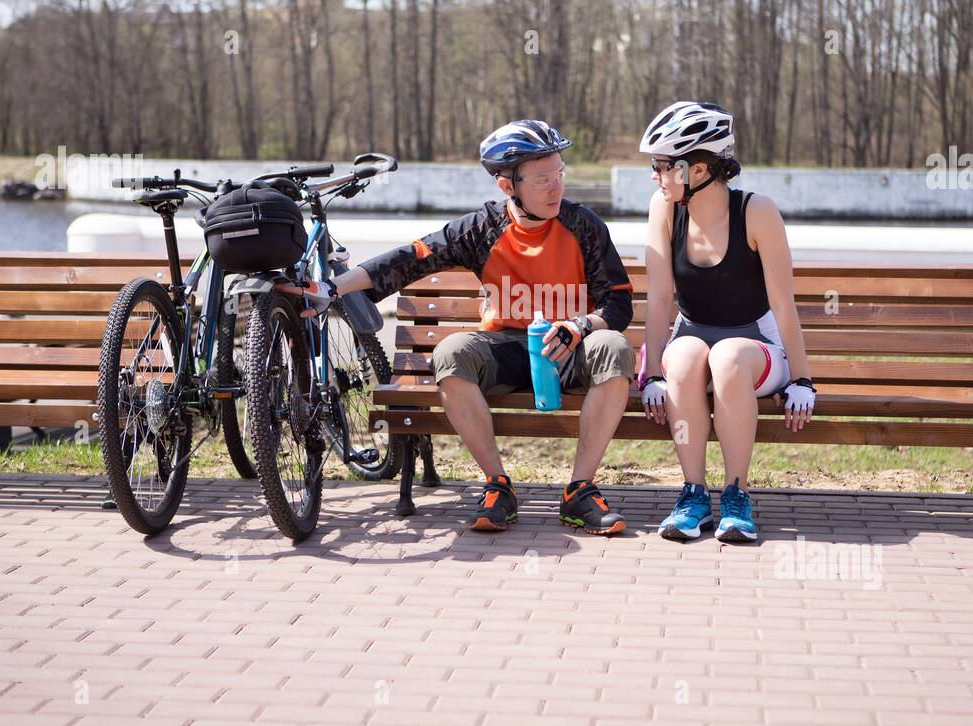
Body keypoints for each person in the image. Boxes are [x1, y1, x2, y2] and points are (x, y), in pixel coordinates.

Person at [280, 120, 635, 536]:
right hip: (505, 349)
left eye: (559, 175)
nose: (556, 188)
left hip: (567, 349)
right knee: (451, 351)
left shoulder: (584, 226)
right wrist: (329, 288)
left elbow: (619, 302)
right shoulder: (482, 229)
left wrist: (580, 325)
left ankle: (579, 490)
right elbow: (409, 258)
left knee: (613, 346)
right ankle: (498, 485)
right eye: (543, 180)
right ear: (508, 186)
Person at [637, 101, 816, 543]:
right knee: (681, 358)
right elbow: (659, 298)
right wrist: (654, 373)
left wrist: (804, 380)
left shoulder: (757, 212)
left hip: (756, 347)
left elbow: (784, 303)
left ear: (696, 171)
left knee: (729, 356)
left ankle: (737, 495)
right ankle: (693, 494)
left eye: (663, 166)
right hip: (694, 339)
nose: (657, 176)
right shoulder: (664, 210)